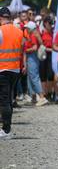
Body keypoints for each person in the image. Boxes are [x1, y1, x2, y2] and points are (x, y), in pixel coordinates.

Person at [0, 7, 24, 139]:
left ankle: (6, 130)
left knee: (4, 101)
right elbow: (21, 51)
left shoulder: (0, 30)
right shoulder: (19, 31)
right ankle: (6, 128)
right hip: (15, 70)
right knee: (8, 99)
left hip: (2, 69)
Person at [23, 21, 48, 106]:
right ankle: (34, 97)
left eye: (27, 28)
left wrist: (26, 50)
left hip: (32, 57)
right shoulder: (34, 34)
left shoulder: (33, 35)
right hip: (33, 58)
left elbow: (34, 47)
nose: (26, 29)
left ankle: (41, 97)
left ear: (30, 28)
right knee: (32, 77)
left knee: (34, 77)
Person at [39, 16, 54, 101]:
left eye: (52, 23)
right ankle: (45, 94)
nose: (51, 25)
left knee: (50, 74)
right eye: (49, 23)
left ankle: (49, 93)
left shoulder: (53, 32)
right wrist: (50, 49)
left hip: (51, 55)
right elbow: (41, 46)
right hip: (43, 55)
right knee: (43, 74)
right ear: (45, 23)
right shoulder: (41, 33)